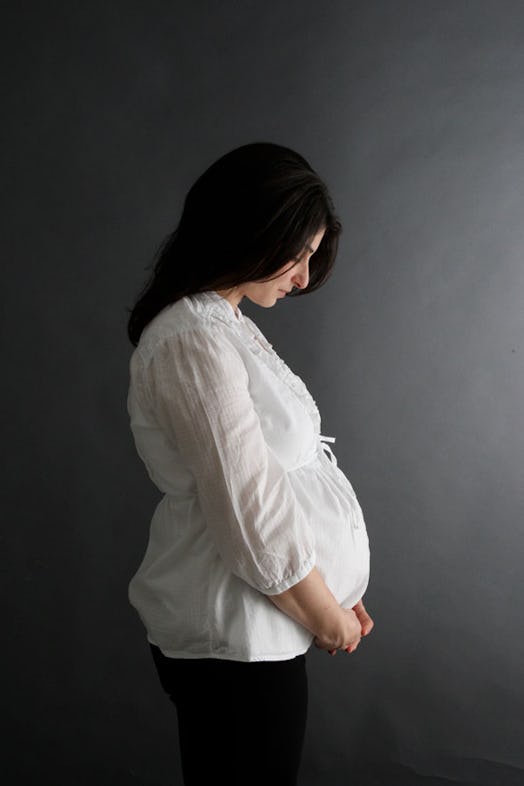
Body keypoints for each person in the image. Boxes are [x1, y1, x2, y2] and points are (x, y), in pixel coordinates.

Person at [126, 142, 373, 786]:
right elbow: (248, 509)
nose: (303, 277)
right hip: (235, 641)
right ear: (251, 230)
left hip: (266, 626)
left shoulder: (222, 322)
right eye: (300, 255)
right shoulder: (191, 339)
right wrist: (327, 616)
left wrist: (337, 594)